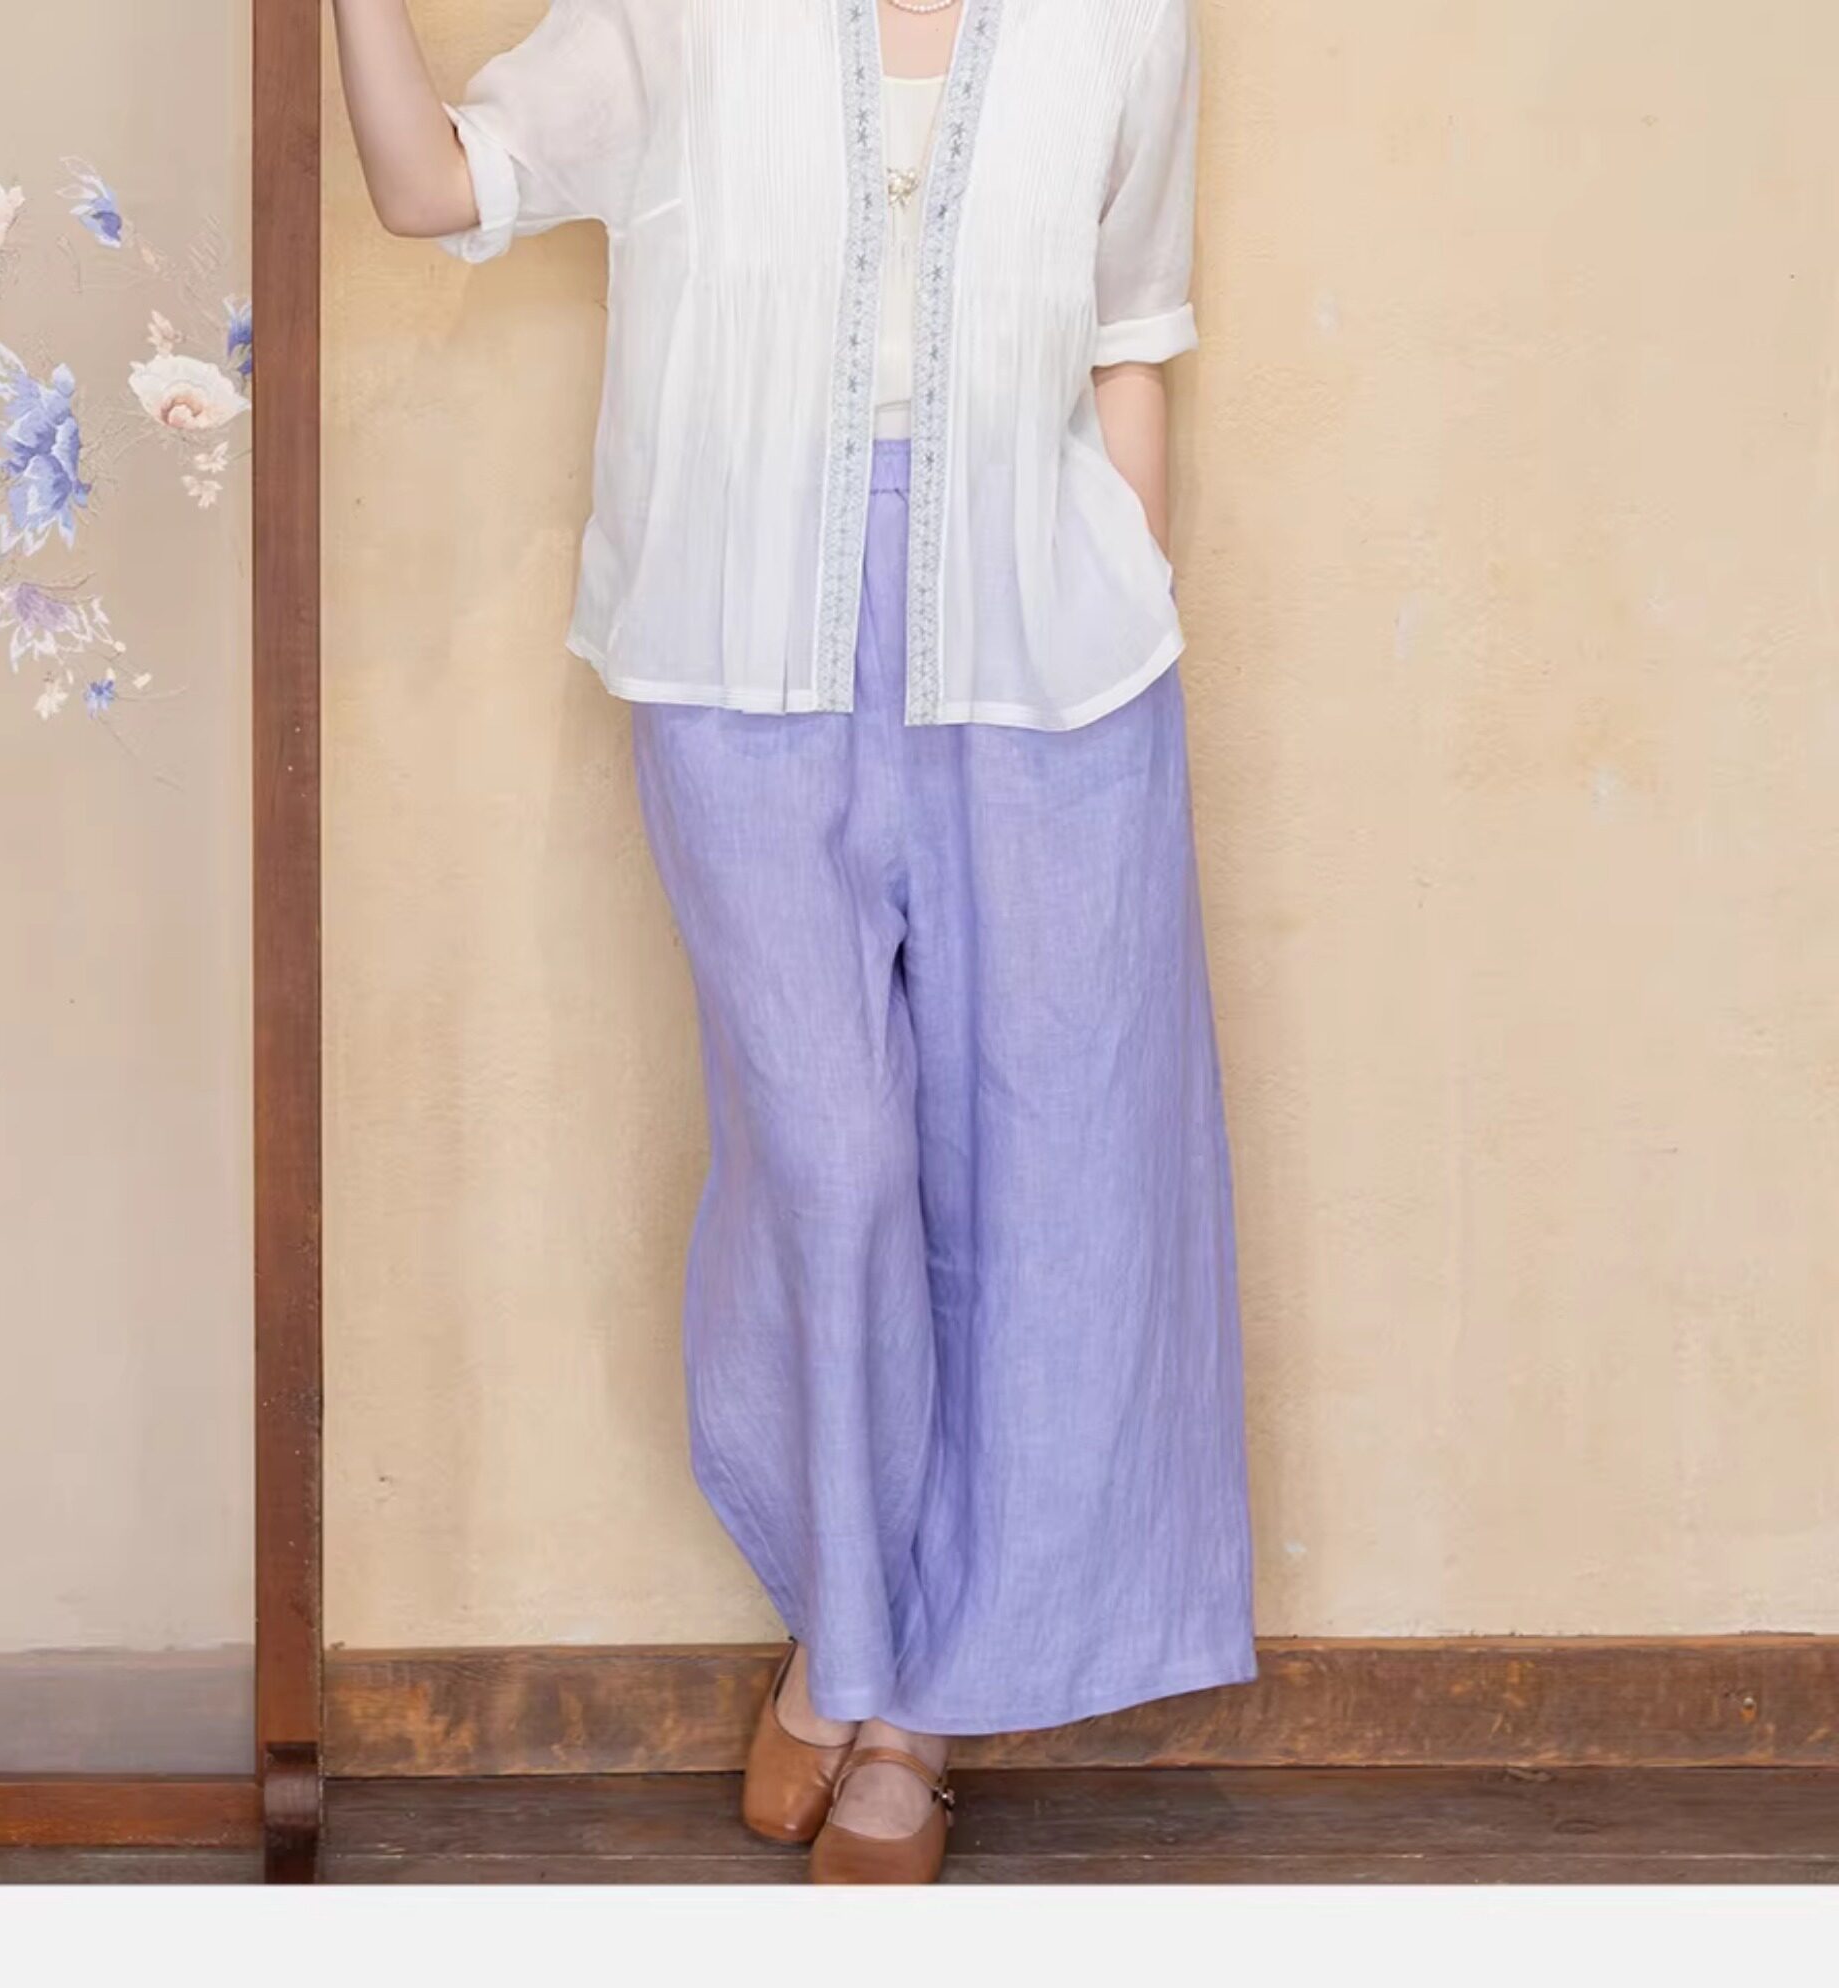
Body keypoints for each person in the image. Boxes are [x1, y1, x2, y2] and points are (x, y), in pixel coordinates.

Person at [332, 0, 1254, 1883]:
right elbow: (433, 186)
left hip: (1051, 670)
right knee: (831, 1166)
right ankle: (848, 1634)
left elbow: (1131, 334)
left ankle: (905, 1715)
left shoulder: (1120, 24)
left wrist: (1127, 592)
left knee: (1049, 1188)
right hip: (738, 653)